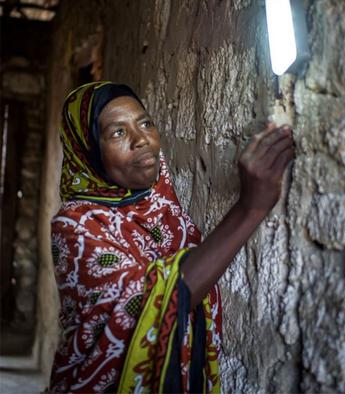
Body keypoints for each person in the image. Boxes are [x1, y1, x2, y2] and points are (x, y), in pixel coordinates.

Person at [49, 81, 294, 392]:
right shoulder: (75, 226)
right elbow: (149, 299)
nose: (141, 140)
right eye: (118, 132)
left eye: (145, 123)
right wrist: (250, 209)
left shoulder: (160, 204)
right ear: (87, 151)